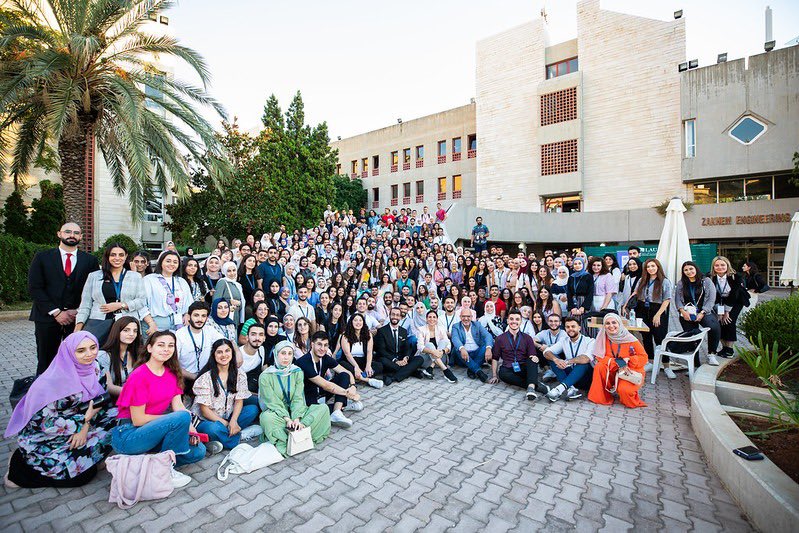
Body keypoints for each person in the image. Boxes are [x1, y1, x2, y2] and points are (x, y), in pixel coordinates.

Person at [4, 332, 117, 488]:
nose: (89, 354)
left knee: (117, 416)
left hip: (81, 420)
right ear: (69, 352)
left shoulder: (94, 366)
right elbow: (43, 423)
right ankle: (17, 462)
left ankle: (91, 457)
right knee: (81, 478)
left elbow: (99, 399)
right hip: (47, 434)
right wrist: (82, 423)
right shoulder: (51, 383)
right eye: (81, 350)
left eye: (92, 348)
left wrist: (84, 427)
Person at [111, 331, 207, 488]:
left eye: (171, 345)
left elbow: (178, 406)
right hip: (129, 434)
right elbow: (138, 419)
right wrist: (175, 421)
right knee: (181, 417)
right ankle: (164, 470)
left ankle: (149, 462)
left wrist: (191, 431)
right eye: (161, 345)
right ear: (149, 348)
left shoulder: (172, 374)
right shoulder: (139, 375)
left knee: (199, 451)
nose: (166, 349)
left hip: (152, 432)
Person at [28, 222, 100, 374]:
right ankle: (44, 396)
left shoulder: (90, 261)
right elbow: (35, 288)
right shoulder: (42, 257)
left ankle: (74, 395)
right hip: (47, 319)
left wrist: (78, 311)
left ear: (80, 236)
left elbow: (95, 290)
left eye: (76, 232)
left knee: (77, 361)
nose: (72, 235)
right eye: (67, 231)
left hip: (77, 319)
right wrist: (56, 312)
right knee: (46, 361)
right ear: (59, 234)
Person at [258, 340, 331, 457]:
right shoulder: (266, 376)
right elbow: (273, 402)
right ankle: (297, 438)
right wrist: (288, 419)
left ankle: (298, 430)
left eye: (289, 353)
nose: (286, 357)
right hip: (277, 414)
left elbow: (298, 398)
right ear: (276, 354)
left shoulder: (296, 372)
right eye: (283, 353)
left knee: (323, 409)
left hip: (297, 412)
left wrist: (297, 419)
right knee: (266, 418)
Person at [192, 339, 259, 450]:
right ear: (214, 355)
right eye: (219, 352)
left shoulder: (240, 374)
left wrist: (233, 420)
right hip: (207, 420)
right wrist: (227, 424)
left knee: (252, 409)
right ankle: (238, 436)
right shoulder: (205, 378)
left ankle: (217, 439)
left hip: (227, 416)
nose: (224, 355)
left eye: (227, 351)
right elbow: (204, 411)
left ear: (232, 353)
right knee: (212, 429)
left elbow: (239, 400)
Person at [295, 332, 362, 428]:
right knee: (318, 411)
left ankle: (337, 412)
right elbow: (327, 386)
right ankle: (343, 406)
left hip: (320, 392)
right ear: (312, 344)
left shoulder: (325, 358)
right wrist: (348, 394)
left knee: (344, 376)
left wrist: (352, 386)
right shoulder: (304, 362)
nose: (322, 348)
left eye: (325, 345)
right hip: (307, 398)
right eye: (319, 344)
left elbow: (347, 372)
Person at [588, 313, 648, 408]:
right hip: (612, 368)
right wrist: (618, 362)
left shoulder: (630, 339)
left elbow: (644, 357)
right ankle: (602, 396)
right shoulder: (603, 337)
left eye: (614, 322)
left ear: (619, 324)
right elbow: (599, 356)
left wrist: (629, 359)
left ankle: (625, 393)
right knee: (599, 367)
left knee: (625, 391)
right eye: (607, 323)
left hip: (629, 369)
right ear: (604, 326)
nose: (611, 326)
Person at [488, 309, 549, 400]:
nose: (514, 322)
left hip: (523, 367)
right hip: (508, 368)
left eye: (517, 319)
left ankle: (531, 389)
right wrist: (494, 375)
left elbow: (532, 354)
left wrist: (535, 357)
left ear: (521, 322)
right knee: (502, 374)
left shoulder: (527, 338)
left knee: (532, 360)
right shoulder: (500, 339)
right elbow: (495, 358)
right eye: (511, 319)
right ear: (508, 321)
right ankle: (535, 385)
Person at [628, 259, 674, 378]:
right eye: (648, 267)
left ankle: (667, 366)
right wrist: (625, 305)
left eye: (653, 266)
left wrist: (658, 314)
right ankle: (651, 362)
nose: (650, 268)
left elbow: (667, 300)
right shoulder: (642, 280)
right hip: (642, 309)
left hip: (657, 309)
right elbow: (636, 293)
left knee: (660, 338)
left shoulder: (664, 281)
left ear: (658, 267)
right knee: (646, 337)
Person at [674, 261, 721, 366]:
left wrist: (702, 312)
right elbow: (677, 300)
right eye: (686, 270)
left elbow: (711, 299)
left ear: (696, 269)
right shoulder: (681, 283)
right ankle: (695, 362)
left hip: (704, 311)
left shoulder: (706, 281)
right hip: (687, 312)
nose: (689, 272)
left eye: (691, 269)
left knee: (714, 327)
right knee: (691, 334)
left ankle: (711, 354)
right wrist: (682, 311)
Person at [543, 317, 595, 401]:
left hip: (585, 378)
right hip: (570, 375)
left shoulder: (590, 341)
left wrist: (567, 362)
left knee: (583, 363)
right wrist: (556, 360)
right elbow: (546, 352)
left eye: (573, 326)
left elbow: (586, 358)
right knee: (552, 358)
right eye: (567, 327)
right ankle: (571, 388)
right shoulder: (564, 340)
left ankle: (559, 389)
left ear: (579, 328)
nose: (570, 329)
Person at [709, 256, 750, 359]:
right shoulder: (710, 278)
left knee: (729, 321)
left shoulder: (736, 277)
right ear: (713, 267)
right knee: (719, 322)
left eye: (723, 265)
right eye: (717, 265)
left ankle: (730, 349)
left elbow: (734, 295)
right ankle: (724, 348)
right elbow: (714, 295)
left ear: (727, 266)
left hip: (736, 301)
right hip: (720, 301)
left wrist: (726, 311)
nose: (720, 267)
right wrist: (720, 311)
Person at [143, 251, 192, 333]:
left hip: (179, 322)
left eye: (175, 262)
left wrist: (187, 314)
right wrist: (151, 323)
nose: (172, 264)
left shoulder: (181, 281)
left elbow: (189, 302)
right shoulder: (149, 280)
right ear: (161, 262)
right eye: (168, 261)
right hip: (156, 322)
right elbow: (142, 304)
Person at [374, 308, 425, 385]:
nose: (395, 317)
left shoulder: (403, 331)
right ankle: (412, 371)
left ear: (400, 317)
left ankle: (392, 377)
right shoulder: (382, 331)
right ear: (389, 316)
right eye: (393, 314)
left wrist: (406, 357)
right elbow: (381, 350)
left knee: (419, 359)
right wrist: (395, 360)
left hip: (401, 357)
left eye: (397, 315)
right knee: (383, 361)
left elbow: (406, 347)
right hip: (389, 359)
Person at [175, 301, 223, 383]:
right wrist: (195, 377)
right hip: (185, 378)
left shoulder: (210, 330)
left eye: (203, 316)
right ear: (189, 317)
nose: (200, 319)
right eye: (196, 315)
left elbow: (226, 342)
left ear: (207, 318)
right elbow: (174, 364)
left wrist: (237, 350)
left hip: (206, 377)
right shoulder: (180, 334)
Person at [98, 316, 141, 397]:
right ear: (117, 332)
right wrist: (135, 393)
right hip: (113, 402)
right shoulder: (104, 356)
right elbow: (108, 387)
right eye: (126, 330)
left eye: (135, 331)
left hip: (133, 398)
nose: (132, 334)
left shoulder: (135, 353)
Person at [339, 313, 384, 388]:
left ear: (363, 322)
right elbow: (347, 354)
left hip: (363, 361)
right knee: (342, 365)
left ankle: (357, 376)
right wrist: (356, 367)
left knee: (379, 366)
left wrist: (368, 366)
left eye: (360, 320)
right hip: (350, 361)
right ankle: (366, 380)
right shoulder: (345, 335)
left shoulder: (368, 334)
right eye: (355, 320)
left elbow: (370, 351)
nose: (358, 323)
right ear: (351, 322)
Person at [450, 307, 493, 382]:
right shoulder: (456, 326)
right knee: (457, 349)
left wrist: (488, 348)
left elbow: (487, 335)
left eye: (468, 316)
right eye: (463, 316)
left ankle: (471, 370)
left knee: (487, 345)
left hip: (477, 354)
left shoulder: (477, 325)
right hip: (464, 356)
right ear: (460, 317)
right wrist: (462, 348)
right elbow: (455, 338)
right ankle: (479, 372)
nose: (466, 319)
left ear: (472, 317)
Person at [416, 310, 456, 382]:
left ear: (437, 319)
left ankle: (431, 368)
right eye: (429, 317)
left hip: (440, 359)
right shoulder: (421, 329)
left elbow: (448, 343)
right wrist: (433, 352)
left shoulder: (441, 329)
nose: (432, 319)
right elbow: (420, 347)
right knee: (429, 344)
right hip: (426, 360)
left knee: (444, 341)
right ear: (426, 319)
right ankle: (445, 370)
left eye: (434, 317)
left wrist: (443, 351)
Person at [214, 262, 246, 327]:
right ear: (225, 272)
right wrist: (228, 303)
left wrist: (239, 303)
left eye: (234, 270)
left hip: (235, 317)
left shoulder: (237, 284)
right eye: (229, 271)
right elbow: (216, 300)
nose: (232, 273)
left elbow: (241, 301)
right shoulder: (222, 282)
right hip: (225, 317)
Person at [567, 258, 594, 333]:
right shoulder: (571, 277)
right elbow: (569, 293)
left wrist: (584, 307)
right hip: (574, 302)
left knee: (586, 326)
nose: (577, 265)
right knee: (572, 325)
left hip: (584, 302)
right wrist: (572, 307)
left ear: (583, 264)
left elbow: (590, 292)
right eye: (575, 264)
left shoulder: (588, 276)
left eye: (579, 263)